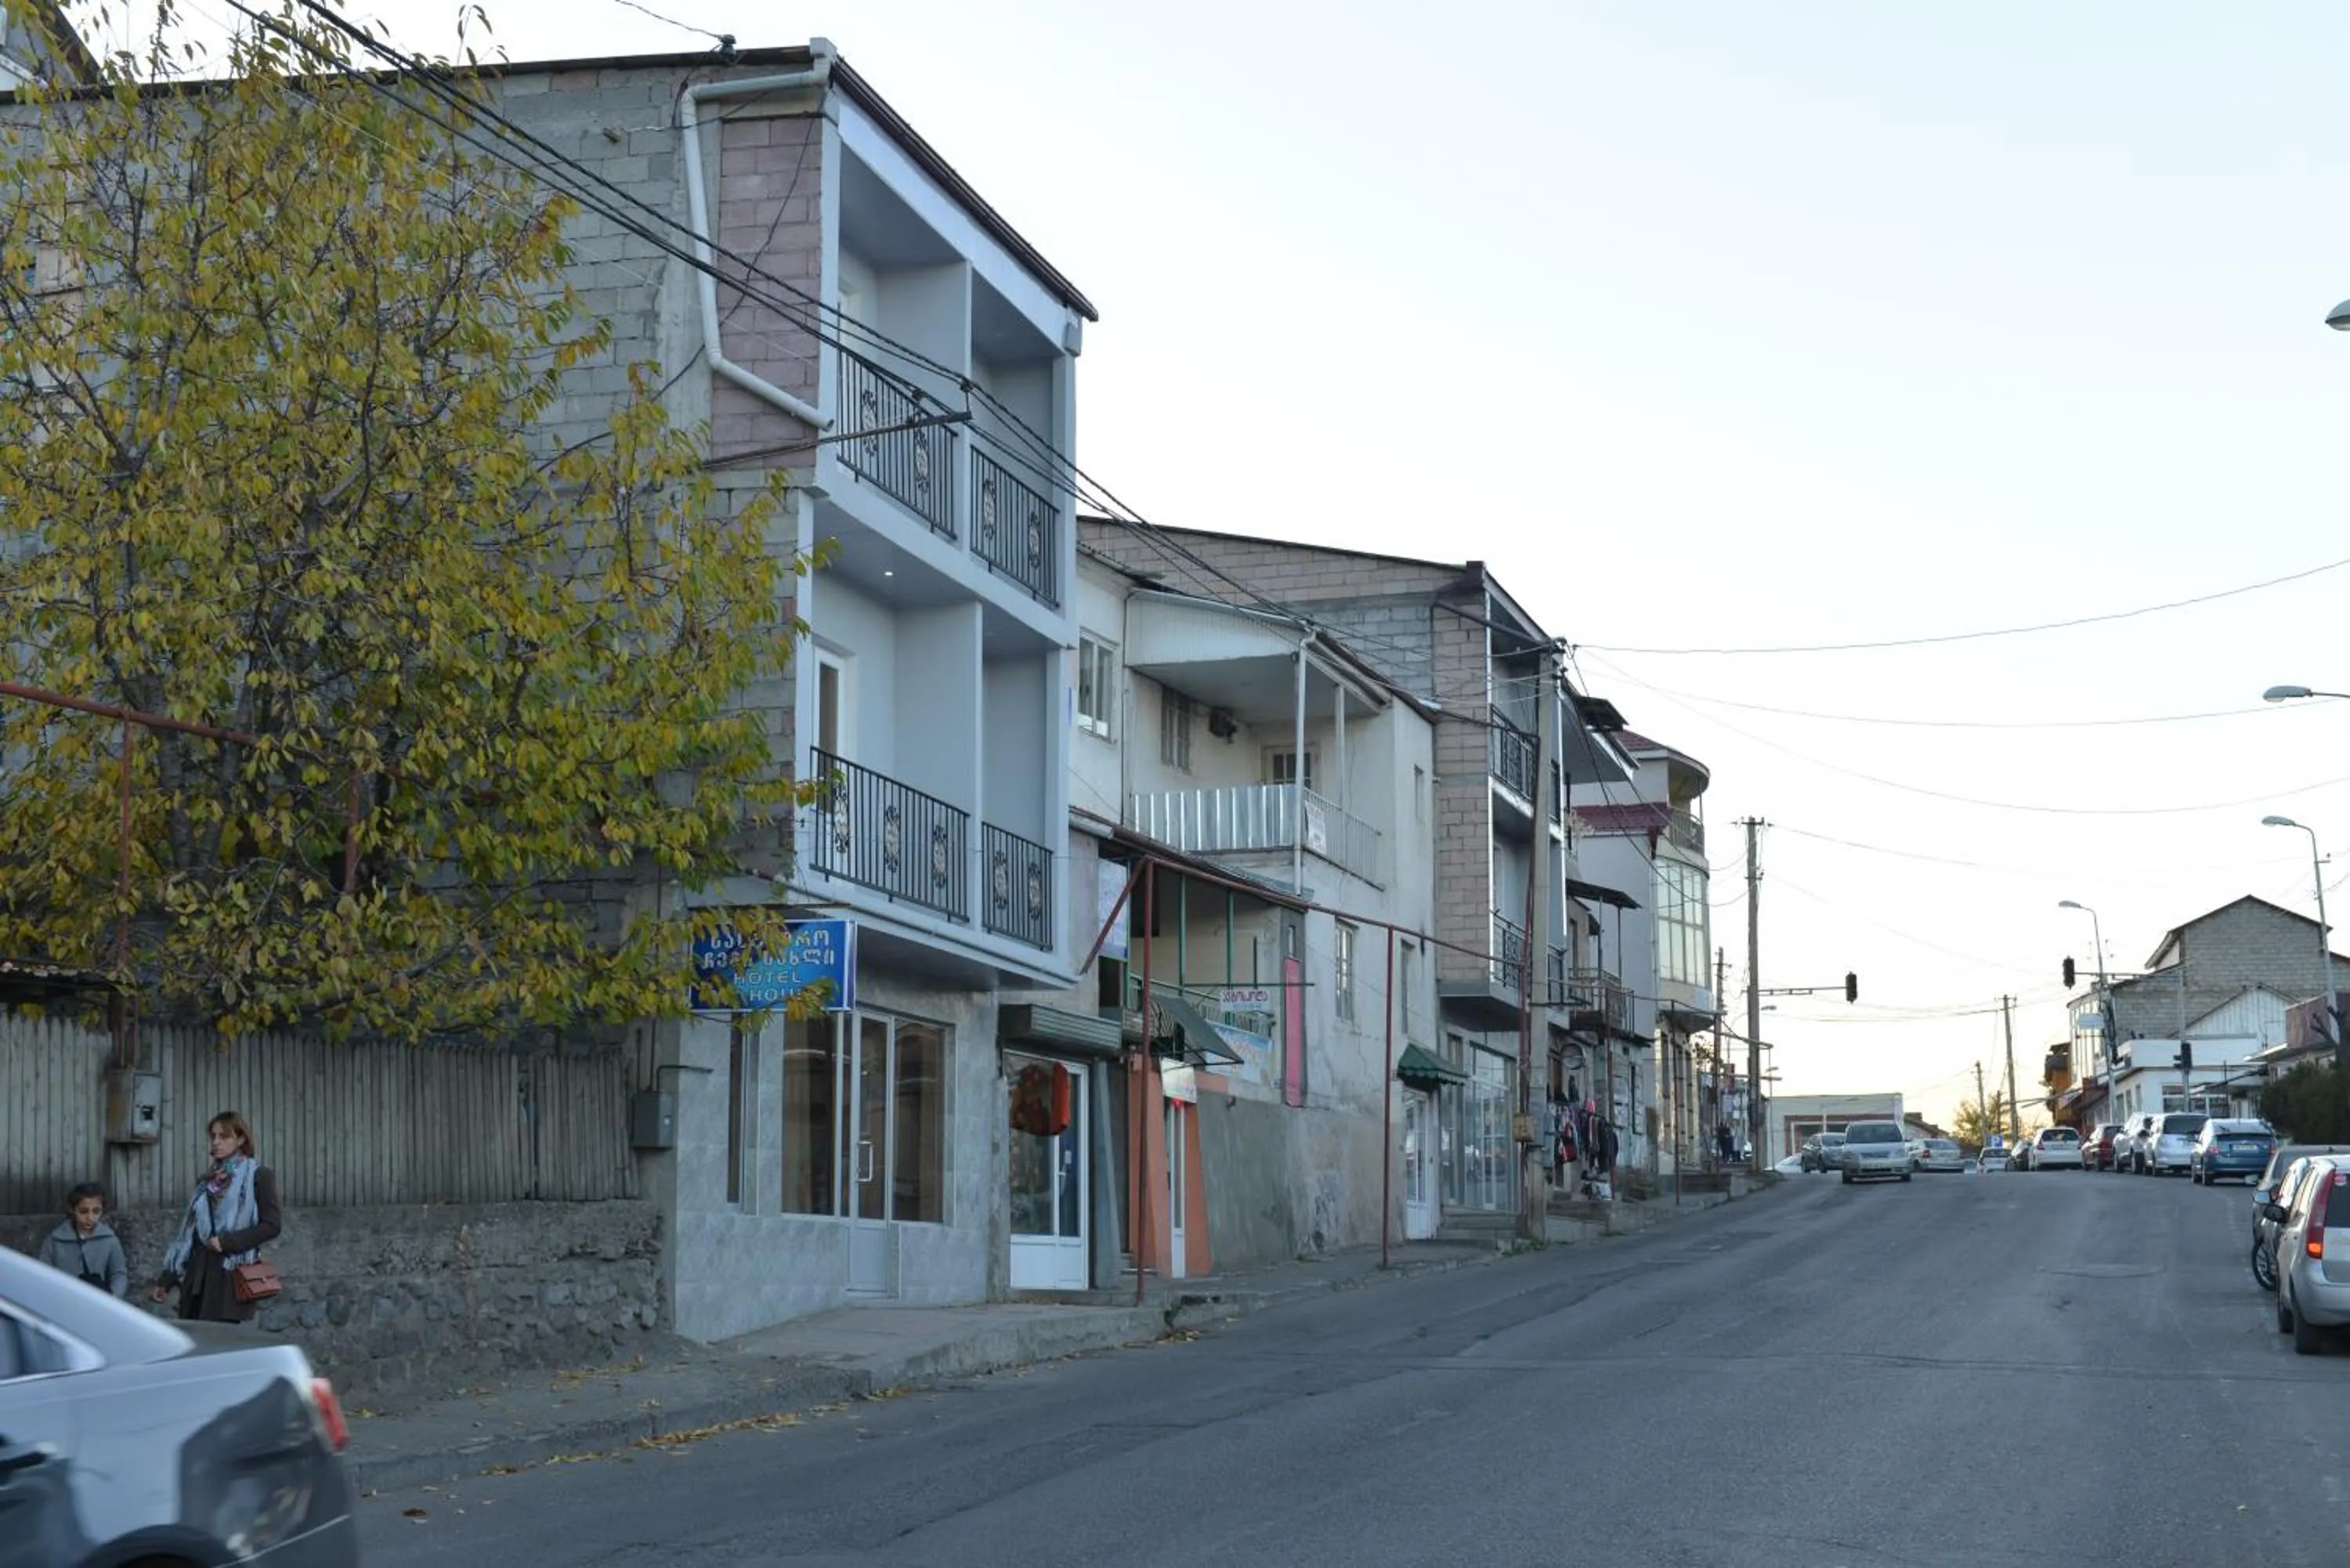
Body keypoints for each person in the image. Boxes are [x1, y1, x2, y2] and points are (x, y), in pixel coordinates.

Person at [152, 1110, 281, 1323]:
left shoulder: (258, 1176)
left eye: (225, 1136)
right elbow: (189, 1232)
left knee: (223, 1345)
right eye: (213, 1136)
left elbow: (272, 1225)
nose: (216, 1142)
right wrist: (167, 1280)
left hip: (230, 1277)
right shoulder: (207, 1182)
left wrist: (227, 1242)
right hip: (198, 1277)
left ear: (240, 1139)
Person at [36, 1182, 128, 1297]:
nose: (90, 1218)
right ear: (72, 1209)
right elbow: (42, 1274)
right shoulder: (55, 1241)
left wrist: (112, 1297)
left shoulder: (109, 1239)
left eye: (96, 1212)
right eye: (83, 1212)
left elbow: (119, 1274)